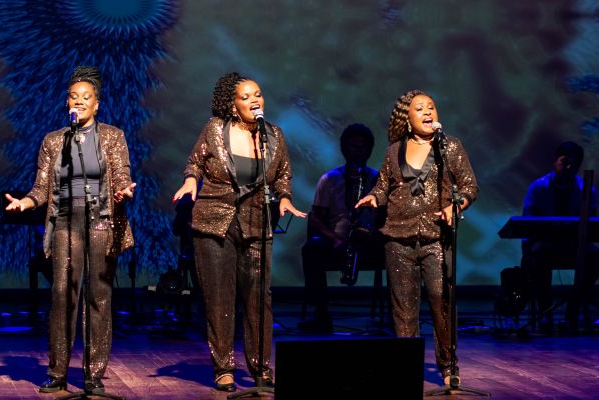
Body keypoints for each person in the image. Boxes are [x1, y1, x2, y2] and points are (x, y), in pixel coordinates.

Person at [4, 66, 136, 394]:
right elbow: (41, 188)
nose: (79, 101)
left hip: (102, 220)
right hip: (65, 221)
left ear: (97, 105)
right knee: (62, 294)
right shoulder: (53, 141)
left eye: (86, 97)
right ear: (67, 103)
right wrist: (25, 203)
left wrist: (123, 191)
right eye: (73, 97)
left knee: (99, 297)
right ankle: (57, 373)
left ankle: (93, 376)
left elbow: (121, 173)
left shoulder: (113, 136)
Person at [172, 72, 306, 392]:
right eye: (245, 97)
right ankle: (224, 368)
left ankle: (260, 367)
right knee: (220, 298)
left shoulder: (274, 135)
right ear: (233, 105)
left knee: (259, 298)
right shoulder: (215, 130)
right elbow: (195, 163)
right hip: (214, 222)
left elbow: (283, 175)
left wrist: (285, 198)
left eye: (257, 94)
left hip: (257, 221)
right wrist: (190, 181)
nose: (254, 100)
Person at [356, 89, 478, 385]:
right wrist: (373, 197)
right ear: (407, 119)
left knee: (441, 301)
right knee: (404, 308)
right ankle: (406, 367)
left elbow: (469, 187)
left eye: (431, 107)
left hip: (437, 238)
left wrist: (456, 205)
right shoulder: (393, 151)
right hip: (398, 239)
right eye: (420, 108)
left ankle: (448, 366)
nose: (427, 112)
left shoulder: (450, 147)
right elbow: (383, 187)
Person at [298, 123, 386, 333]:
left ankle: (393, 318)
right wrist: (335, 238)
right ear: (345, 149)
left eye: (363, 147)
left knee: (395, 251)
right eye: (353, 147)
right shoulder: (329, 179)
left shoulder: (378, 180)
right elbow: (315, 218)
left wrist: (373, 232)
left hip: (367, 243)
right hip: (337, 242)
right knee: (311, 250)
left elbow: (385, 217)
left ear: (369, 150)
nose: (358, 152)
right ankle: (321, 315)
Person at [521, 141, 599, 333]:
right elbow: (528, 223)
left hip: (574, 245)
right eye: (564, 161)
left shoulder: (586, 190)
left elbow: (591, 224)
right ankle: (545, 313)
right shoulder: (538, 187)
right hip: (545, 246)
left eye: (574, 164)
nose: (568, 167)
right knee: (539, 256)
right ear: (555, 160)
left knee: (595, 257)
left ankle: (572, 310)